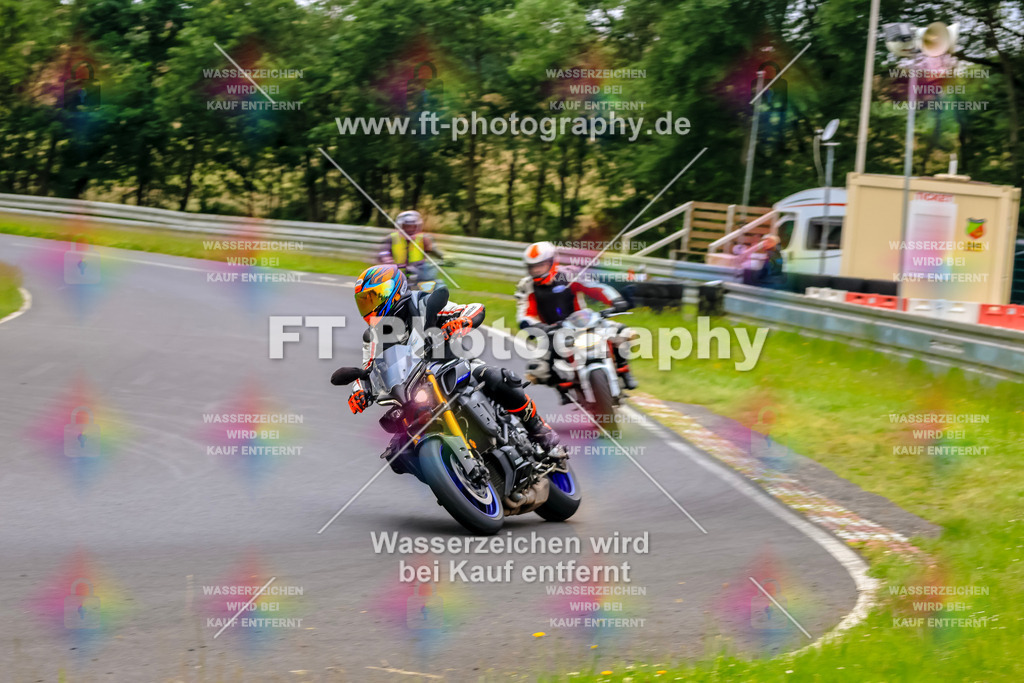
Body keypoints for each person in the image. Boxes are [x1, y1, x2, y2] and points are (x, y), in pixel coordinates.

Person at [347, 264, 557, 449]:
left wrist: (462, 321)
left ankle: (537, 426)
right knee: (398, 449)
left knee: (495, 377)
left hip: (454, 366)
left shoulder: (422, 302)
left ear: (395, 290)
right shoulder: (373, 337)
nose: (370, 307)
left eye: (374, 297)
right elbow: (369, 368)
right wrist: (359, 391)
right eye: (364, 302)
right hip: (411, 387)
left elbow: (473, 308)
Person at [514, 241, 638, 399]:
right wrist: (538, 327)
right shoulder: (526, 286)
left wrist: (616, 301)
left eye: (541, 265)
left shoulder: (569, 274)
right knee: (536, 370)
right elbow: (524, 313)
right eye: (533, 267)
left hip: (585, 321)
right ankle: (563, 388)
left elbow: (596, 288)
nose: (536, 270)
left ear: (553, 261)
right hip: (553, 330)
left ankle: (623, 369)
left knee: (624, 333)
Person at [379, 210, 444, 284]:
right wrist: (387, 259)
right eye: (406, 227)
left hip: (420, 273)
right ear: (400, 226)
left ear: (418, 226)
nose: (410, 229)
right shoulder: (391, 238)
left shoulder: (425, 239)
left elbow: (436, 253)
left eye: (413, 227)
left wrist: (443, 257)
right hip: (397, 272)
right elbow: (383, 253)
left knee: (438, 285)